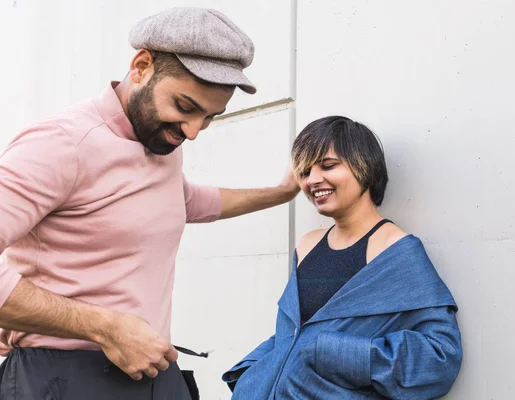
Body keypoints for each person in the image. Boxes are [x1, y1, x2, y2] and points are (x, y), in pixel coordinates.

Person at [0, 7, 299, 400]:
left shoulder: (160, 139)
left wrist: (281, 193)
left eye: (210, 117)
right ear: (141, 66)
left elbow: (183, 200)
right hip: (62, 378)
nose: (192, 132)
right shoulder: (61, 143)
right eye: (186, 107)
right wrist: (106, 327)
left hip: (153, 374)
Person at [223, 116, 462, 399]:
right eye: (305, 171)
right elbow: (293, 334)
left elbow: (439, 355)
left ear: (365, 166)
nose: (312, 180)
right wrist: (252, 371)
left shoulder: (393, 249)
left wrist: (335, 353)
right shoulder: (307, 244)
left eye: (328, 166)